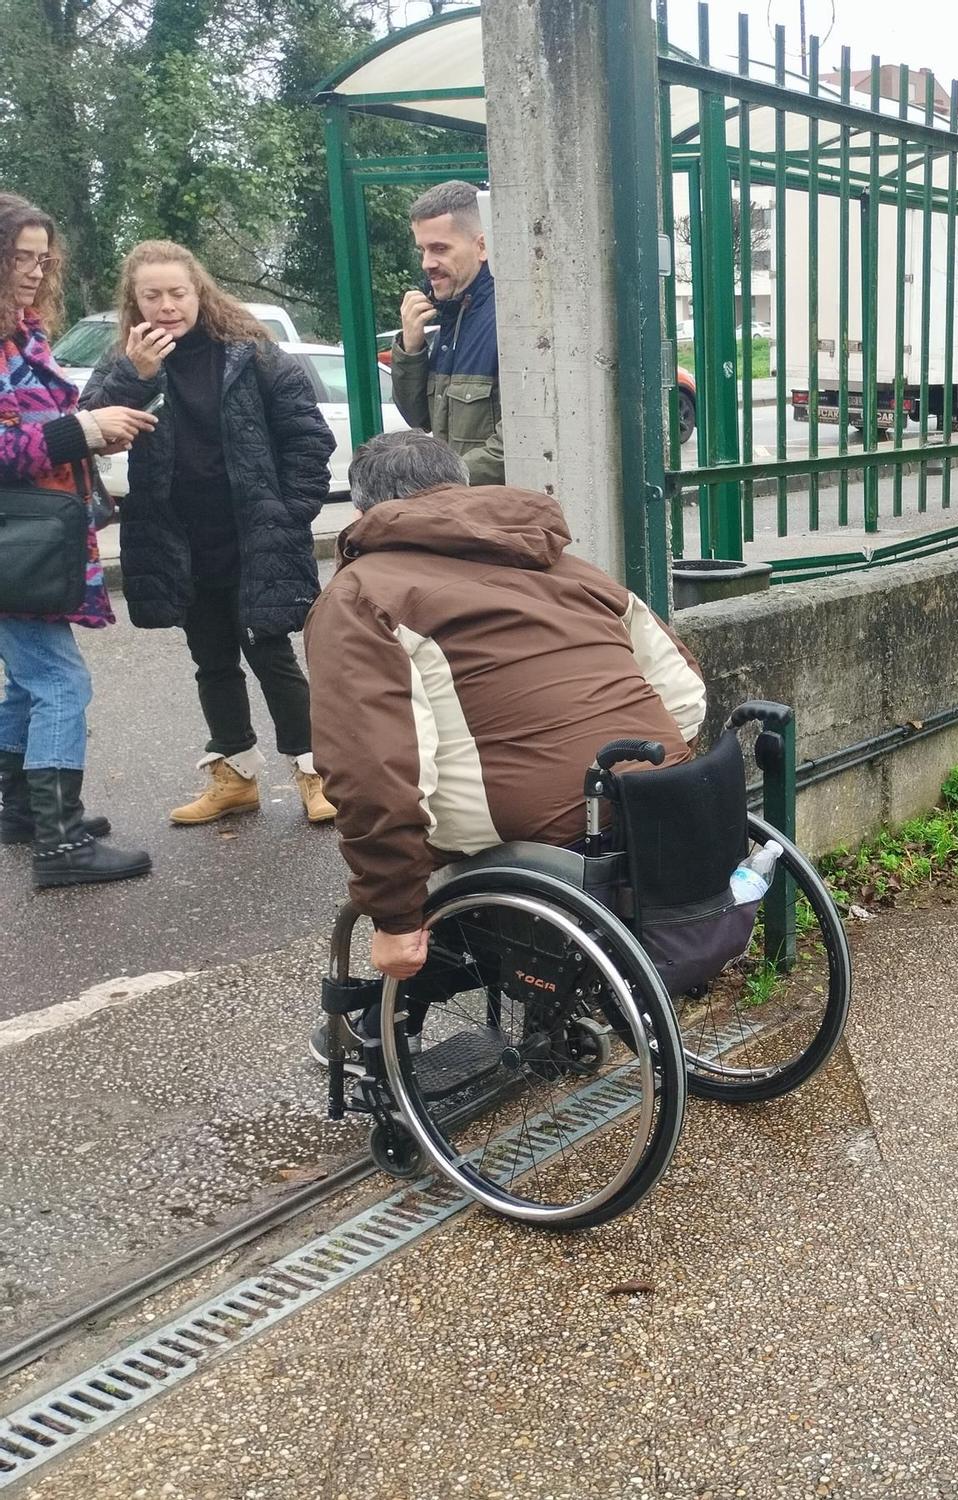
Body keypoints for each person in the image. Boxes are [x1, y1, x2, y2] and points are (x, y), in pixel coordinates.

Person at [304, 431, 704, 1020]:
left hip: (526, 822)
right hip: (659, 789)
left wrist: (394, 916)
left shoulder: (361, 594)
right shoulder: (571, 566)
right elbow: (686, 697)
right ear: (462, 487)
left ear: (366, 510)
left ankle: (402, 1005)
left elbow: (370, 770)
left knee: (416, 844)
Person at [83, 241, 338, 826]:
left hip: (254, 535)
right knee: (212, 660)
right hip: (180, 542)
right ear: (135, 300)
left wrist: (288, 512)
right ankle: (236, 777)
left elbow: (308, 439)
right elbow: (91, 425)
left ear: (199, 292)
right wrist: (135, 373)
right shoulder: (128, 359)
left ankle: (315, 771)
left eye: (178, 293)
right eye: (153, 295)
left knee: (270, 651)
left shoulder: (252, 354)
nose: (167, 306)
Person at [0, 193, 155, 888]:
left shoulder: (21, 335)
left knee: (31, 682)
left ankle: (21, 811)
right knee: (61, 680)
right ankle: (61, 848)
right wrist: (81, 433)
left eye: (42, 258)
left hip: (33, 537)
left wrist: (106, 412)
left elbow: (54, 422)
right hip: (15, 541)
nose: (34, 272)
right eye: (18, 258)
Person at [391, 180, 503, 485]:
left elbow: (519, 441)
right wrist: (411, 348)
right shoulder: (452, 316)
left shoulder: (508, 318)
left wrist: (436, 481)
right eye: (422, 250)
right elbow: (419, 418)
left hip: (499, 516)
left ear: (482, 246)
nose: (427, 263)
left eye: (440, 249)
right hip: (458, 509)